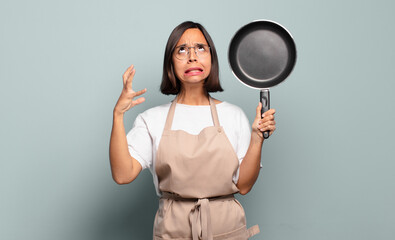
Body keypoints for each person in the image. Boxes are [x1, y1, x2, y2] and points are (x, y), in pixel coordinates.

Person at [109, 21, 276, 240]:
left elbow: (244, 186)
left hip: (226, 229)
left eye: (200, 48)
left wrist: (257, 138)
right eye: (181, 49)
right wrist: (118, 115)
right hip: (173, 230)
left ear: (211, 57)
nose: (192, 57)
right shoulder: (152, 119)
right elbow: (122, 175)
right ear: (170, 62)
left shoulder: (233, 115)